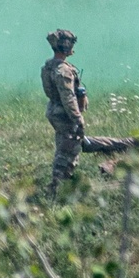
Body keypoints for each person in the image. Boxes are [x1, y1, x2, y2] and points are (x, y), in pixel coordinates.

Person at [41, 29, 85, 197]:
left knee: (62, 146)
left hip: (54, 110)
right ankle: (59, 187)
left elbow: (49, 91)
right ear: (65, 45)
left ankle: (58, 185)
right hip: (65, 114)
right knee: (69, 150)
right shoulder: (64, 70)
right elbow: (68, 97)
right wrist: (77, 118)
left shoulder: (48, 66)